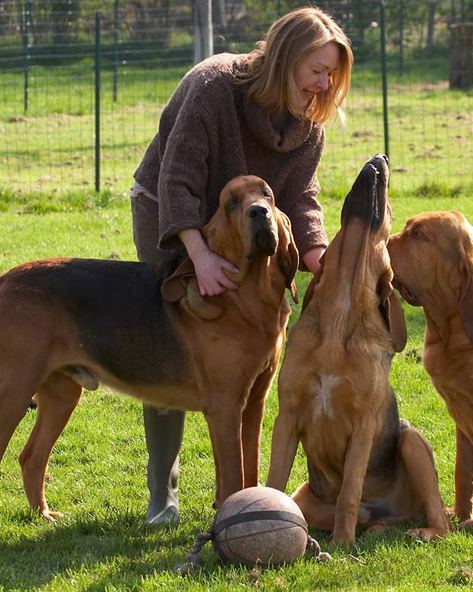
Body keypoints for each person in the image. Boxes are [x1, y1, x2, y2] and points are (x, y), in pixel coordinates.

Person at [129, 6, 353, 526]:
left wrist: (318, 255)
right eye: (318, 70)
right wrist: (199, 256)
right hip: (170, 211)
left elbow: (300, 197)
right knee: (172, 339)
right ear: (285, 59)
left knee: (246, 350)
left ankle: (242, 497)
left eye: (332, 76)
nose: (324, 85)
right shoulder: (214, 88)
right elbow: (177, 180)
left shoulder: (308, 126)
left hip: (246, 219)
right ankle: (163, 491)